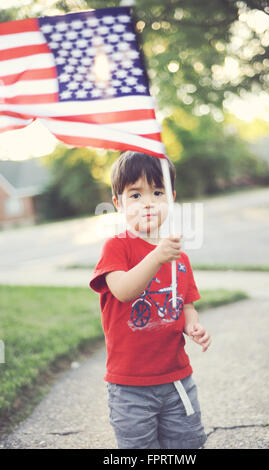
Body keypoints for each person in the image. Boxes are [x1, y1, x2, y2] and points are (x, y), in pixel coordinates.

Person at [89, 151, 211, 449]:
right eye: (135, 194)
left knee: (186, 445)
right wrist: (156, 258)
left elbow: (186, 304)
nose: (148, 202)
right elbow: (123, 290)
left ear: (171, 198)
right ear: (118, 203)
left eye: (158, 192)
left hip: (176, 379)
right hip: (130, 386)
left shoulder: (178, 256)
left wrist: (193, 326)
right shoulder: (117, 247)